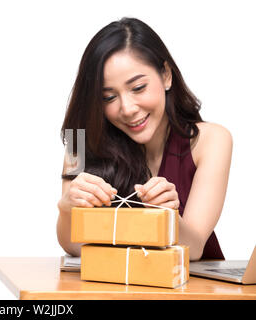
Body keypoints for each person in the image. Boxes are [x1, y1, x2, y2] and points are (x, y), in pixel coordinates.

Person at [57, 17, 232, 261]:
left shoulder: (213, 140)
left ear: (166, 76)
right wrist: (66, 209)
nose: (127, 109)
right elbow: (74, 246)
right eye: (108, 97)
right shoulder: (78, 143)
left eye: (138, 88)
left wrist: (169, 217)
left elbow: (195, 248)